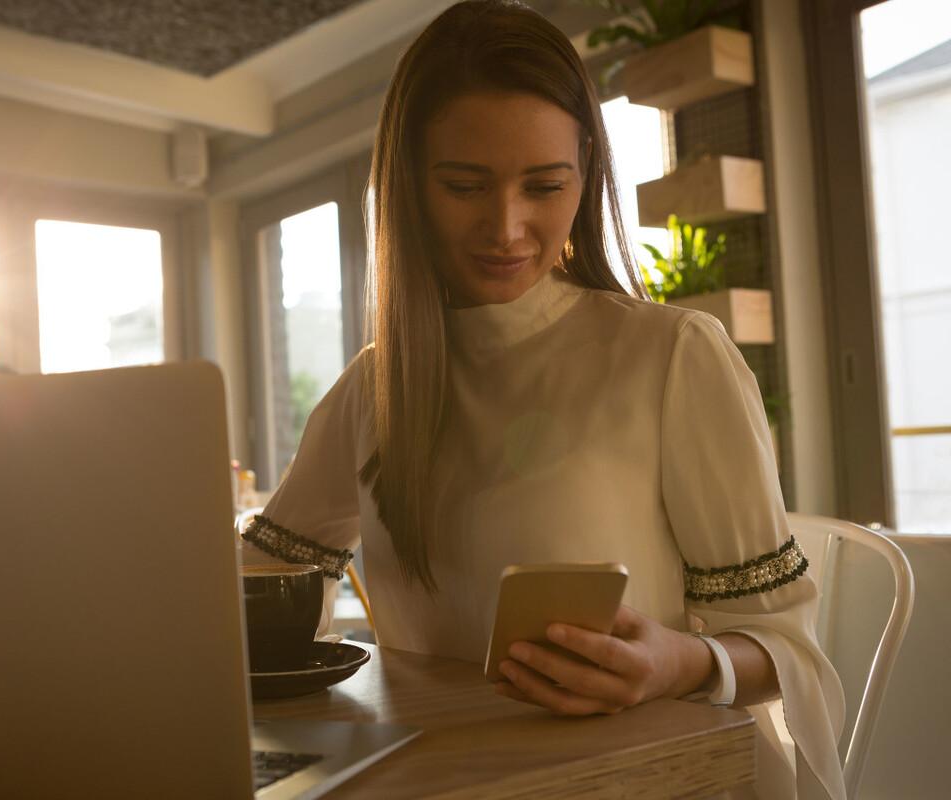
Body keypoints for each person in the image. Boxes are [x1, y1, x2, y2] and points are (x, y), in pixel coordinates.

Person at [239, 2, 845, 797]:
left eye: (544, 185)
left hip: (638, 779)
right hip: (450, 779)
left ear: (586, 175)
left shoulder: (671, 357)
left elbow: (788, 650)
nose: (507, 227)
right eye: (464, 185)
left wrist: (676, 663)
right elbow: (261, 585)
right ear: (408, 187)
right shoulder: (371, 388)